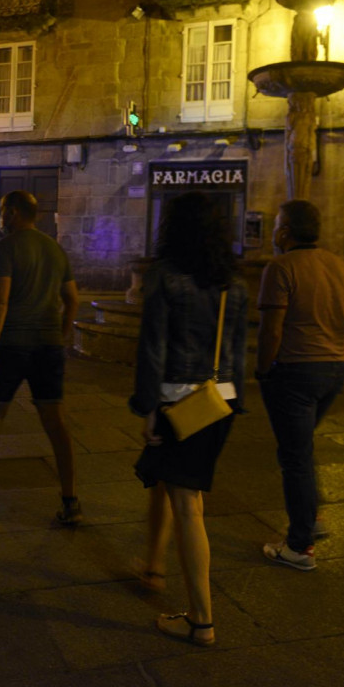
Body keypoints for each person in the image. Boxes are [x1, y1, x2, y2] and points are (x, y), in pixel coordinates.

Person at [129, 192, 247, 647]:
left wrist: (149, 408)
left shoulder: (166, 276)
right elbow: (237, 350)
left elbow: (152, 348)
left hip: (178, 399)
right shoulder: (233, 283)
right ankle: (160, 569)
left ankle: (201, 620)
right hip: (220, 399)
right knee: (185, 496)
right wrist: (234, 402)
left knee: (188, 507)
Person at [0, 190, 82, 525]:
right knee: (56, 423)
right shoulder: (55, 249)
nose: (1, 217)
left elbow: (0, 300)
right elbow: (72, 299)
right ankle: (70, 499)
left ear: (13, 212)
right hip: (48, 346)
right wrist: (62, 333)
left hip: (13, 344)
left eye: (2, 211)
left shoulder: (8, 247)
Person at [256, 199, 344, 571]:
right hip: (335, 369)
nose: (273, 231)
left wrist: (262, 370)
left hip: (295, 371)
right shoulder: (339, 265)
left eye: (276, 224)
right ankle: (310, 518)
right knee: (301, 448)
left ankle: (299, 547)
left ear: (285, 232)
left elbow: (272, 328)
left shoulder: (280, 267)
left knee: (294, 457)